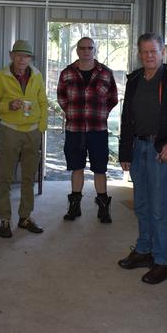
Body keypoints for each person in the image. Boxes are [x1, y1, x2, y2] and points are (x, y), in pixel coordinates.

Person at [117, 32, 167, 284]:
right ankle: (144, 250)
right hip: (138, 148)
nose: (149, 56)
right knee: (141, 205)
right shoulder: (134, 80)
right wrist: (124, 151)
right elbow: (126, 117)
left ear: (163, 52)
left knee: (158, 209)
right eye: (144, 51)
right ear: (139, 54)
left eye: (153, 51)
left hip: (160, 150)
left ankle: (162, 261)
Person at [57, 37, 119, 223]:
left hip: (97, 130)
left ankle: (103, 209)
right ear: (77, 50)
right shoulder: (67, 73)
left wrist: (100, 114)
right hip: (74, 129)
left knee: (100, 169)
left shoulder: (106, 73)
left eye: (89, 48)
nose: (86, 51)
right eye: (82, 48)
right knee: (77, 168)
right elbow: (61, 97)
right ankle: (74, 208)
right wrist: (71, 111)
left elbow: (113, 98)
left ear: (94, 50)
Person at [0, 39, 47, 237]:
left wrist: (41, 127)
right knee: (6, 178)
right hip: (9, 131)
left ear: (30, 58)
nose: (22, 59)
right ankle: (4, 220)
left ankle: (25, 217)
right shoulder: (1, 77)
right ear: (11, 56)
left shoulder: (37, 75)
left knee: (28, 178)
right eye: (18, 55)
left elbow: (42, 101)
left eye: (26, 56)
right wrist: (8, 106)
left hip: (32, 132)